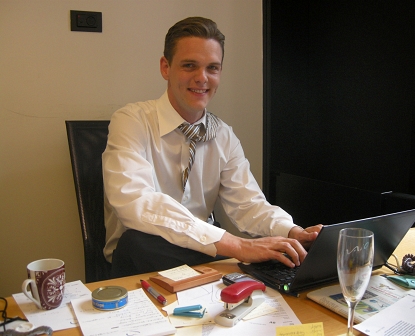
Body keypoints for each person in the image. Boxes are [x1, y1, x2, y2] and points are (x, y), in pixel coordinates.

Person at [102, 16, 322, 278]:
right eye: (189, 65)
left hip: (203, 254)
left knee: (278, 260)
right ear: (165, 67)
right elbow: (135, 201)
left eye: (212, 68)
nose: (201, 78)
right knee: (136, 242)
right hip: (144, 254)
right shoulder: (131, 121)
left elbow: (248, 204)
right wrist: (237, 246)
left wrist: (291, 231)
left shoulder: (224, 136)